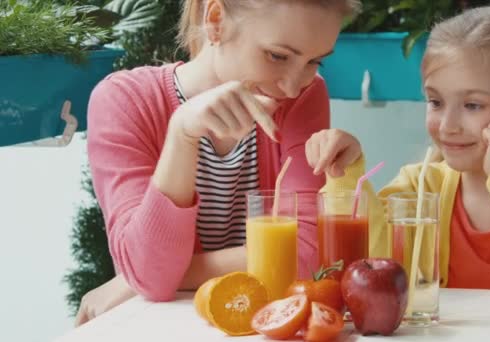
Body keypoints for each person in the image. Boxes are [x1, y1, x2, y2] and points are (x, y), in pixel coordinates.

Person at [75, 0, 362, 326]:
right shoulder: (125, 102)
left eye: (315, 62)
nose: (294, 85)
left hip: (264, 328)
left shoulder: (304, 98)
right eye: (277, 56)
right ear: (215, 20)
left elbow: (305, 256)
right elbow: (153, 274)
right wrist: (182, 135)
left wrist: (142, 277)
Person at [309, 6, 490, 297]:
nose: (448, 126)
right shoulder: (418, 187)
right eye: (436, 102)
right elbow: (370, 265)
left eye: (472, 105)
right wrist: (346, 173)